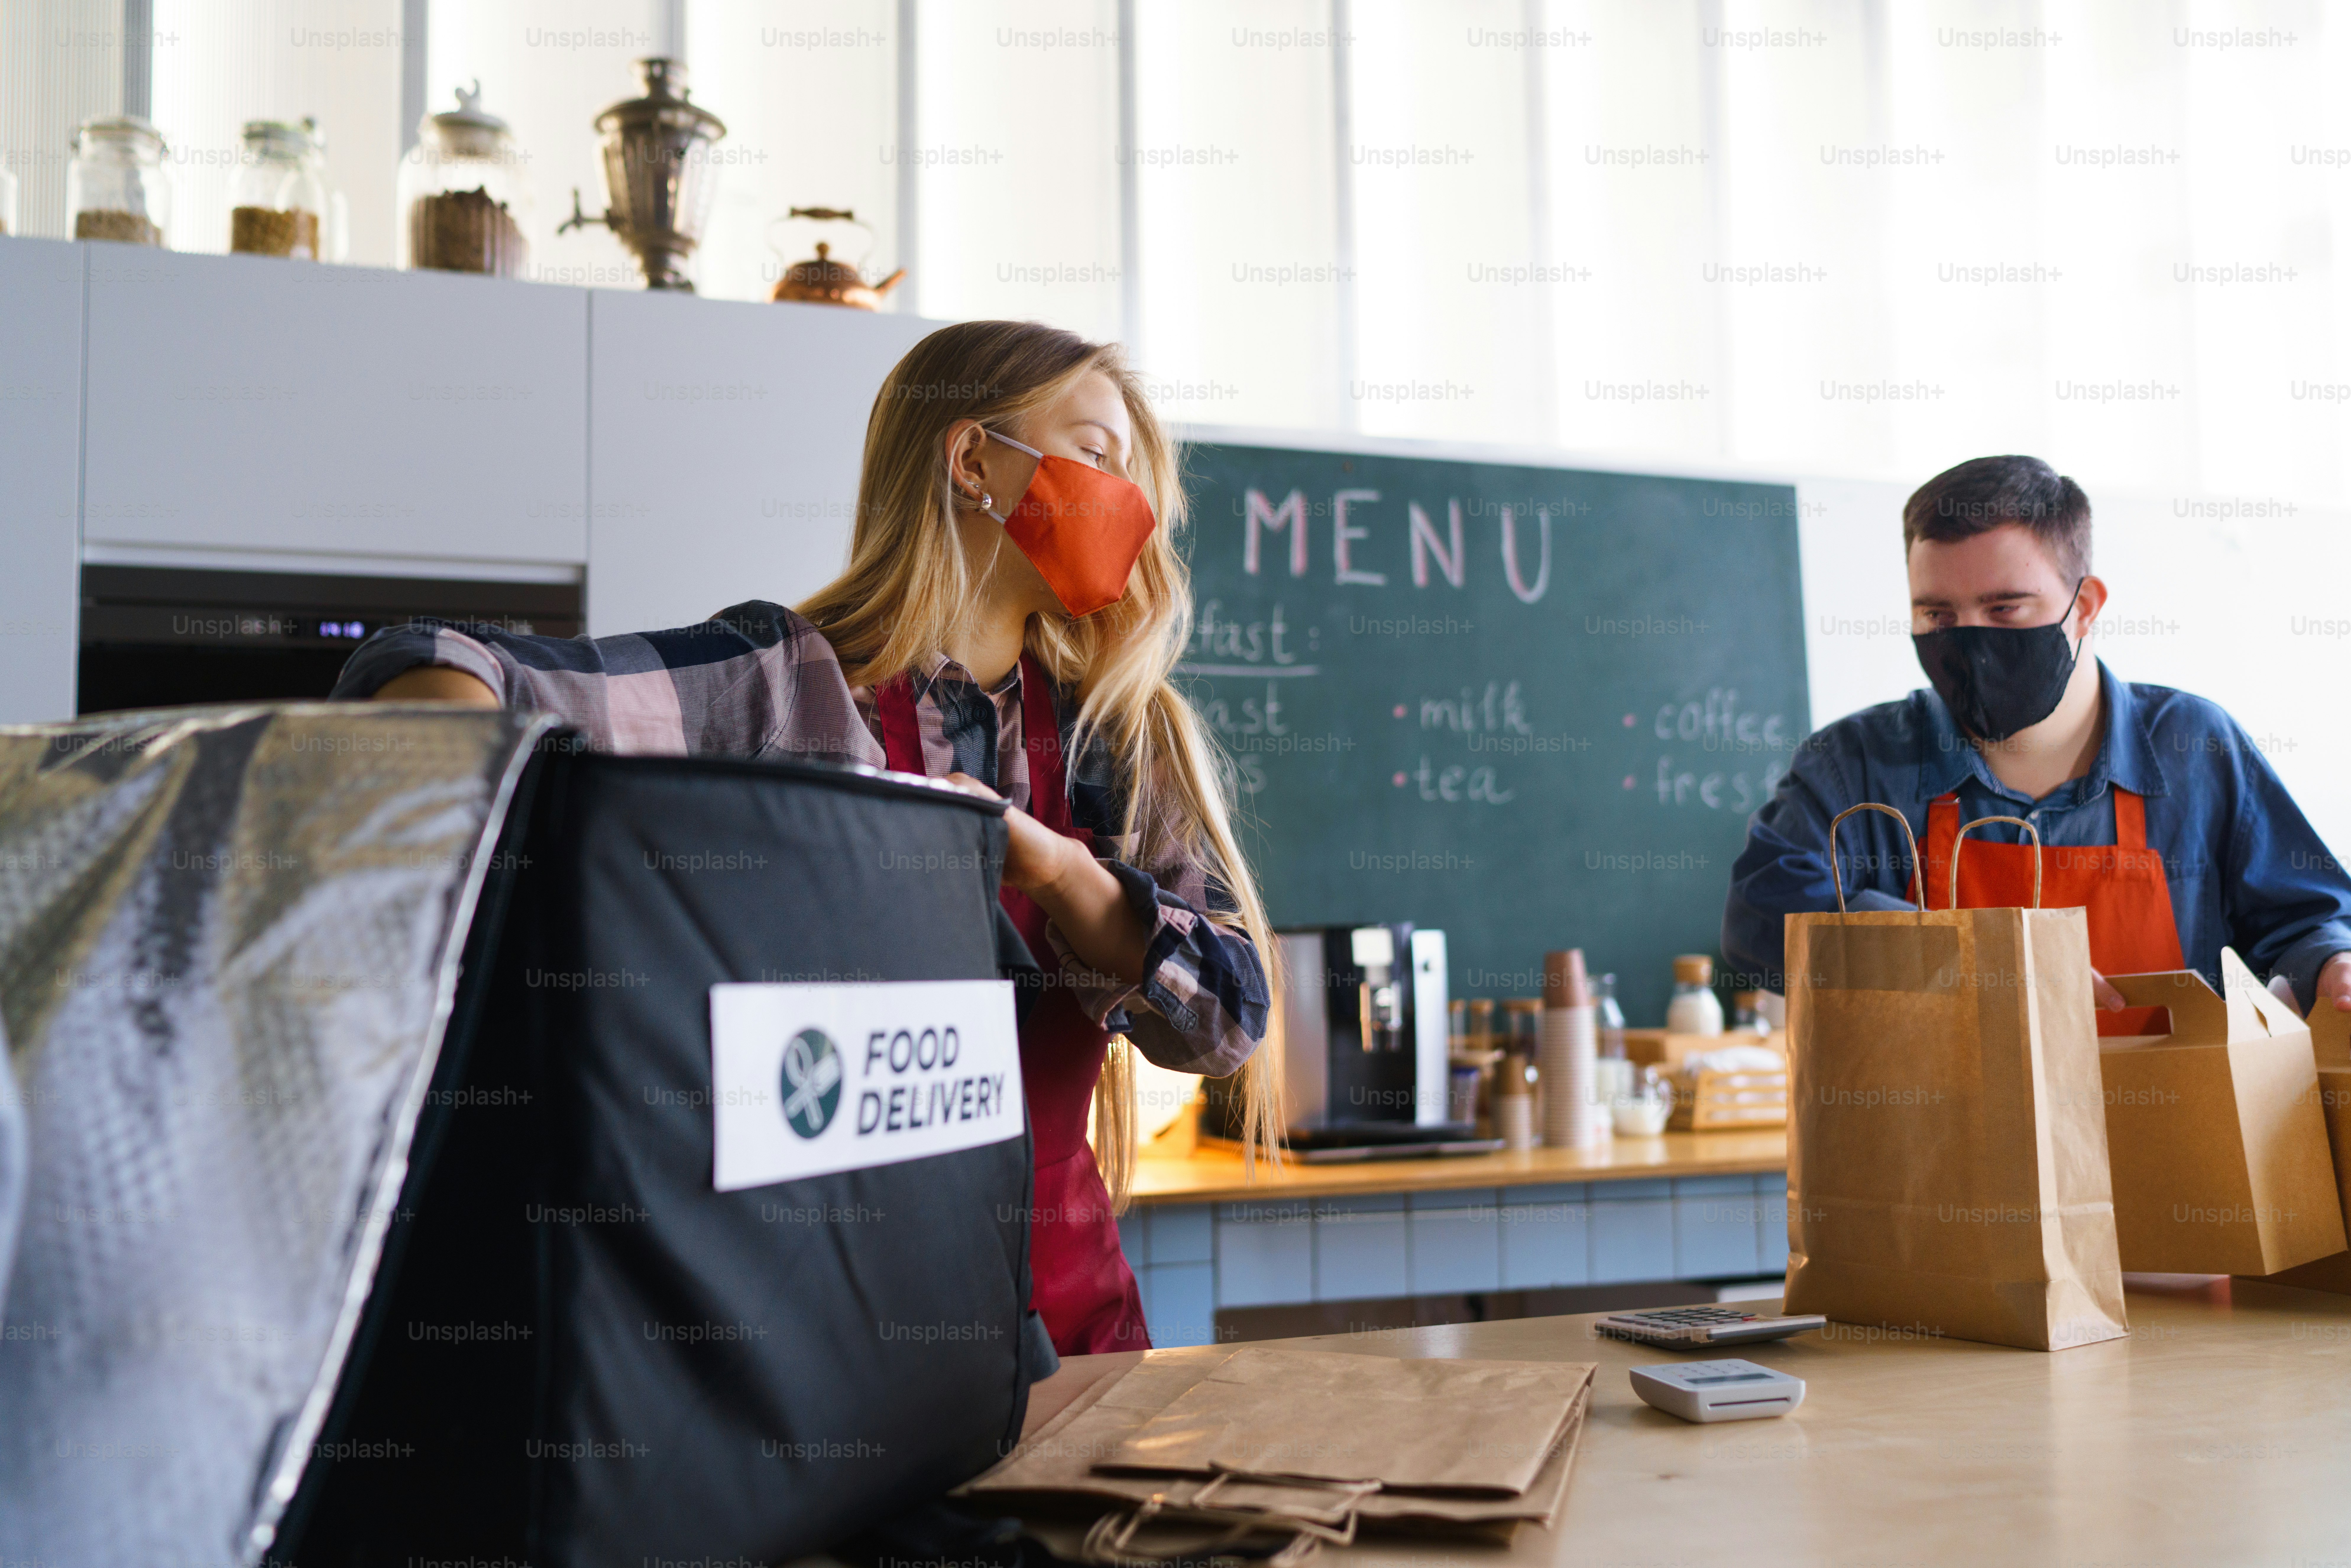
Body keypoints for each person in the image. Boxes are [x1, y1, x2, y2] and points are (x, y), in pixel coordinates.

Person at [332, 320, 1282, 1356]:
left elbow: (1228, 1019)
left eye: (1133, 483)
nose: (1126, 509)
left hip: (1072, 1319)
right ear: (973, 462)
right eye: (1097, 458)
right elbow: (437, 657)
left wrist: (1054, 867)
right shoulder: (780, 683)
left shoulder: (1122, 739)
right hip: (831, 1338)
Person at [1724, 454, 2351, 1029]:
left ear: (2085, 607)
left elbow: (2307, 916)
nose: (1969, 640)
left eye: (2004, 610)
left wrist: (2330, 963)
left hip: (2166, 1136)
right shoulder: (1857, 764)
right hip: (1939, 1144)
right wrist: (1975, 961)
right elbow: (1763, 913)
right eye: (1937, 616)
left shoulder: (2195, 748)